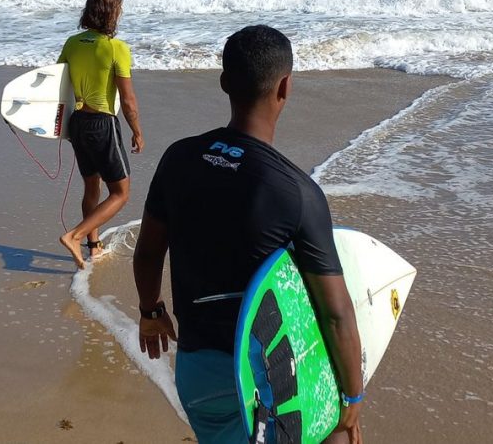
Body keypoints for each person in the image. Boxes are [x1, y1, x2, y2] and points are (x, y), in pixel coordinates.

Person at [133, 25, 364, 444]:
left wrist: (151, 313)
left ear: (223, 82)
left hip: (194, 372)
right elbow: (336, 312)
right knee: (336, 435)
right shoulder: (297, 193)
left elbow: (148, 253)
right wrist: (352, 398)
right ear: (285, 87)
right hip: (256, 377)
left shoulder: (178, 157)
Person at [57, 0, 145, 269]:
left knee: (91, 185)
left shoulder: (72, 43)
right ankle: (75, 236)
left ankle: (94, 247)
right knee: (121, 192)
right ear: (112, 14)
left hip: (77, 123)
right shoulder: (116, 48)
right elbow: (128, 100)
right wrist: (137, 130)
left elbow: (57, 84)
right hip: (101, 124)